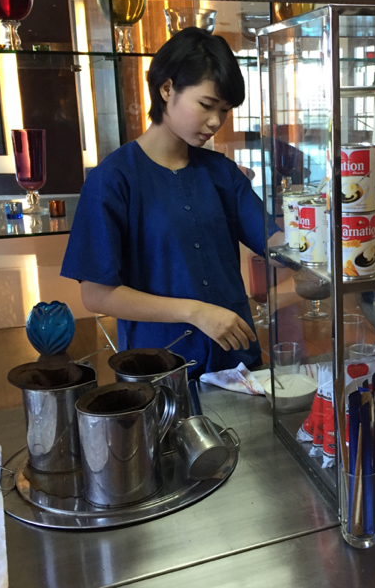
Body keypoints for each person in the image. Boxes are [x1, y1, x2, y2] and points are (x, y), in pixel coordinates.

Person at [61, 27, 277, 377]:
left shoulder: (221, 172)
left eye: (224, 110)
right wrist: (195, 312)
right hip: (160, 368)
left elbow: (275, 242)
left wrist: (321, 240)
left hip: (237, 362)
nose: (216, 122)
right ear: (167, 89)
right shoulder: (113, 179)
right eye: (206, 105)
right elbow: (96, 295)